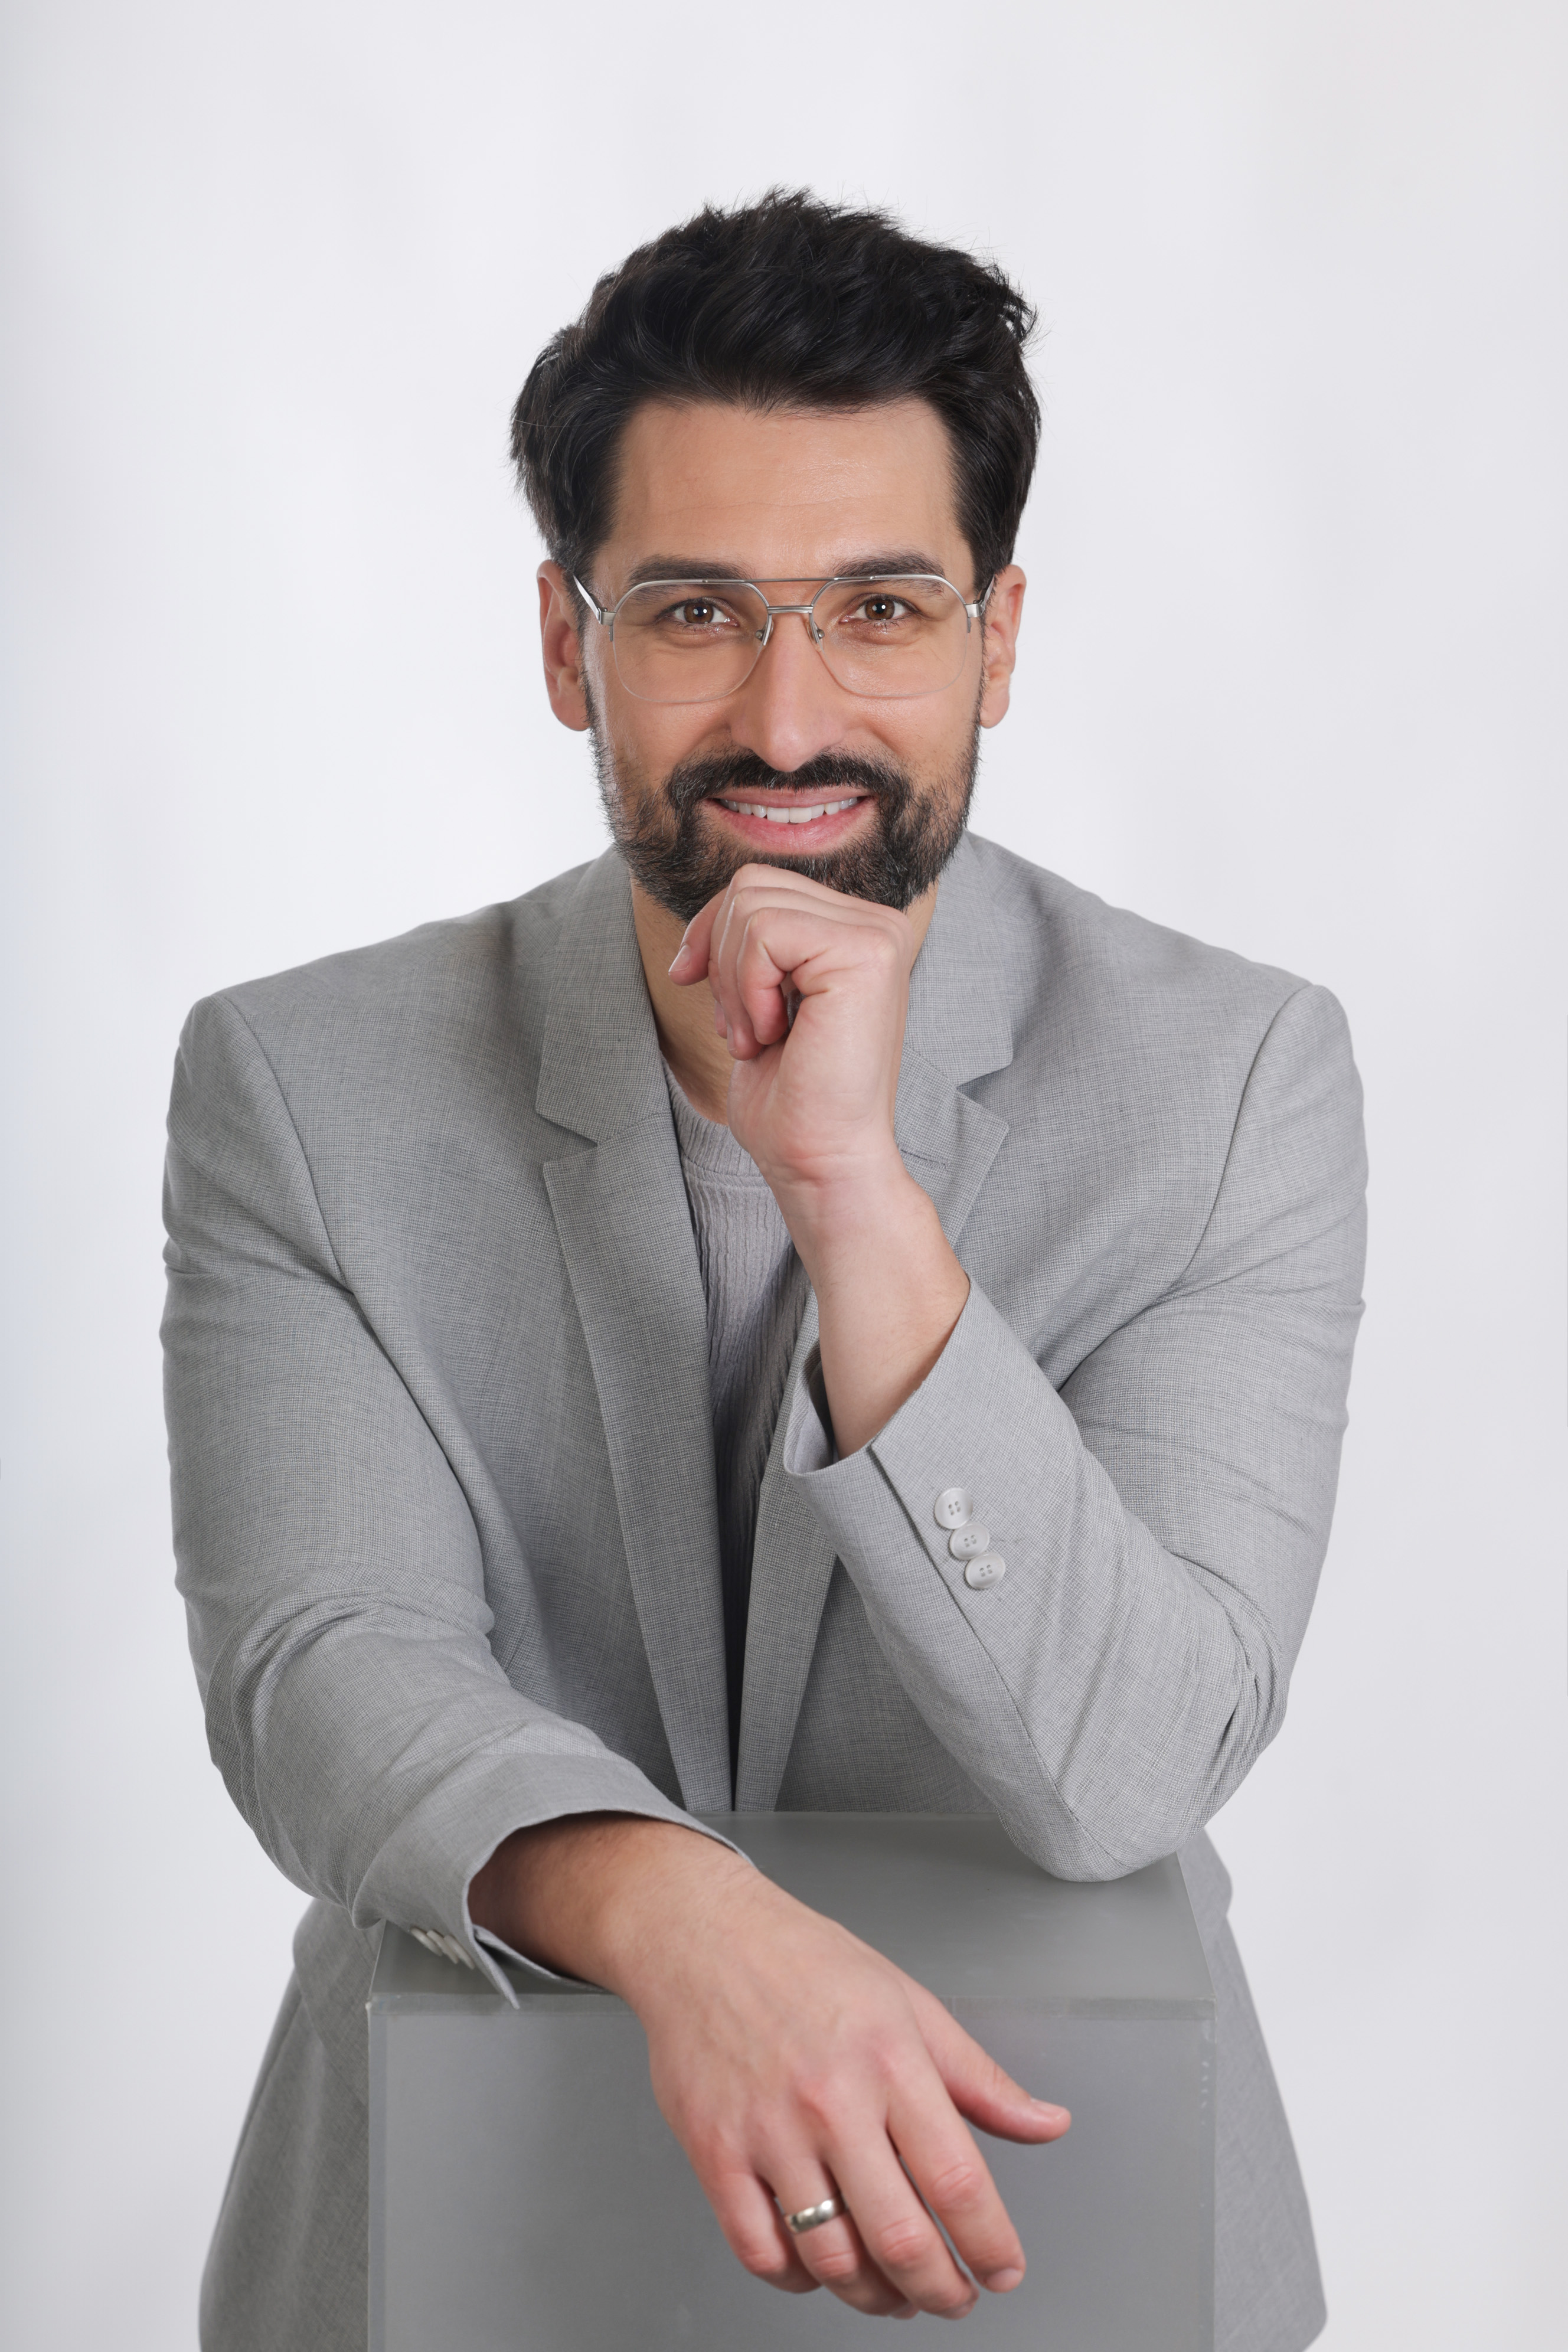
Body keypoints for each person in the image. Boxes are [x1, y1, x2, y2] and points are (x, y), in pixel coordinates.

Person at [163, 191, 1365, 2351]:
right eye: (697, 611)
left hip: (1063, 2224)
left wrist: (854, 1193)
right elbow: (322, 1670)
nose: (789, 720)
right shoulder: (301, 1080)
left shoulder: (1230, 1078)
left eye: (881, 609)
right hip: (456, 2232)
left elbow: (1134, 1764)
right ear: (570, 647)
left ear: (998, 638)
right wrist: (688, 1920)